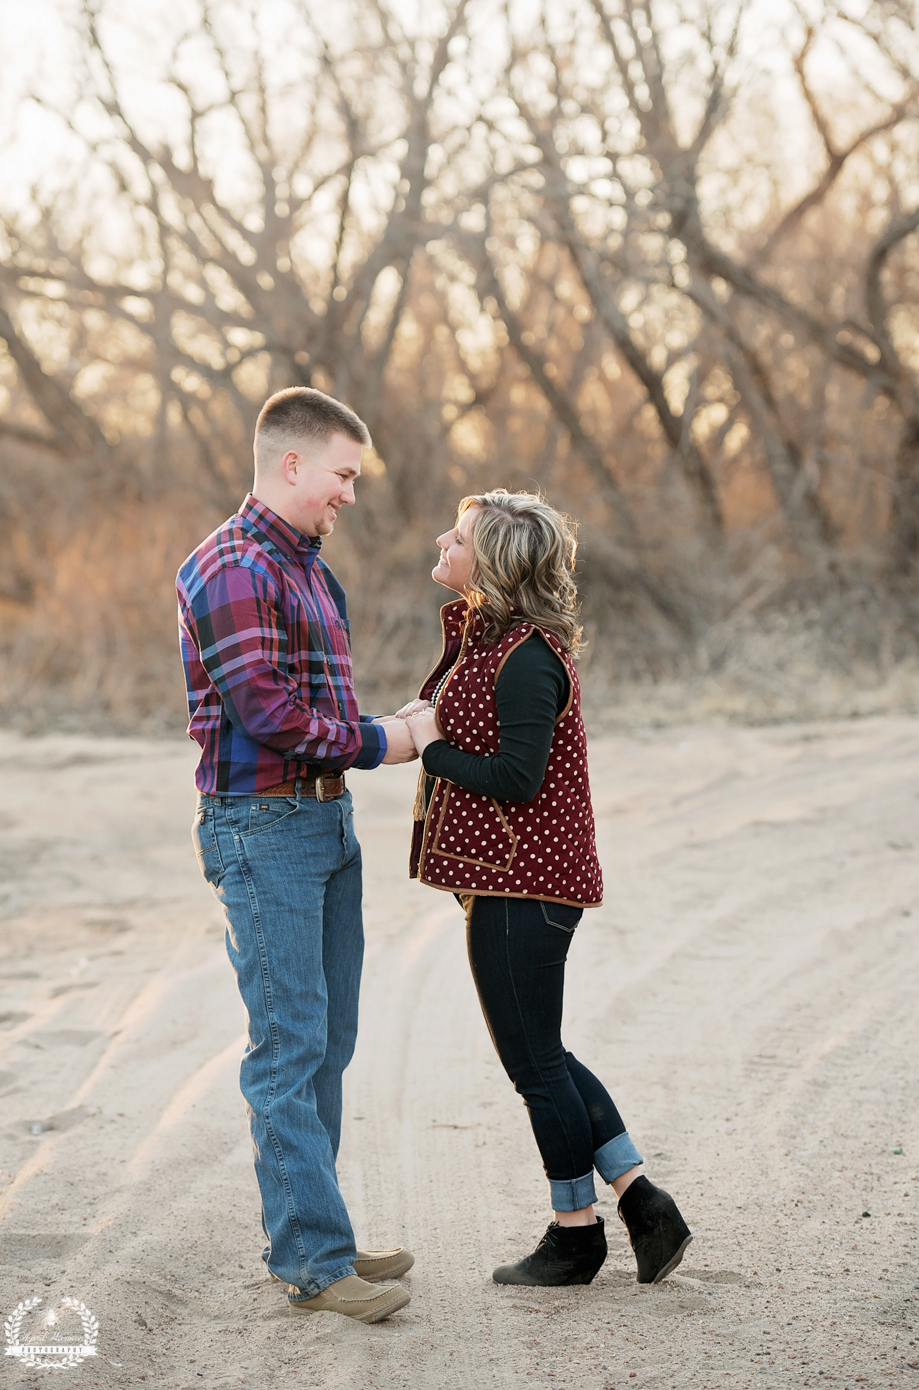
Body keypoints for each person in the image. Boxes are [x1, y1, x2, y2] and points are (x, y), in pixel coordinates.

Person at [398, 489, 692, 1287]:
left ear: (487, 563)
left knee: (534, 1067)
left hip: (524, 886)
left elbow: (515, 779)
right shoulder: (493, 640)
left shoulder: (526, 656)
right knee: (546, 1055)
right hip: (511, 880)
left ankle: (575, 1234)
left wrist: (428, 745)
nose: (440, 540)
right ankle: (640, 1201)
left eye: (455, 537)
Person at [177, 387, 418, 1324]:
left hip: (324, 824)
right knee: (287, 1047)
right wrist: (384, 740)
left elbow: (311, 707)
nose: (350, 495)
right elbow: (267, 715)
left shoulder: (310, 567)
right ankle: (311, 1262)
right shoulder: (231, 566)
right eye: (343, 475)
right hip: (261, 826)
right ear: (292, 465)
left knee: (330, 1042)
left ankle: (320, 1227)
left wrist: (373, 737)